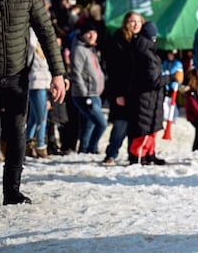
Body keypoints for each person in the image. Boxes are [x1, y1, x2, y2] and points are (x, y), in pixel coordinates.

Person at [0, 0, 67, 205]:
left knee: (17, 134)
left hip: (17, 75)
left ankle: (12, 191)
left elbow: (47, 33)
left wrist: (58, 73)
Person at [102, 11, 143, 165]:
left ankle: (133, 156)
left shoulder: (142, 40)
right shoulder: (118, 41)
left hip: (137, 92)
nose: (136, 24)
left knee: (135, 126)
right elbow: (113, 70)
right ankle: (111, 154)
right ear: (126, 23)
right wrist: (117, 93)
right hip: (121, 90)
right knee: (120, 125)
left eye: (138, 21)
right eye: (132, 21)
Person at [126, 21, 169, 165]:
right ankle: (137, 156)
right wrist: (172, 77)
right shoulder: (146, 53)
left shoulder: (146, 50)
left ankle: (149, 153)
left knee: (152, 127)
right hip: (145, 98)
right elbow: (154, 81)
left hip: (151, 98)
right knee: (144, 129)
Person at [70, 22, 108, 155]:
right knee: (101, 123)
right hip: (86, 94)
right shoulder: (79, 49)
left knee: (90, 123)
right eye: (88, 33)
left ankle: (85, 148)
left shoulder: (90, 49)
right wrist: (84, 93)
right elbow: (76, 73)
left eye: (94, 32)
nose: (92, 35)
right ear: (83, 34)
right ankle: (91, 148)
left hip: (95, 93)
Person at [26, 29, 52, 159]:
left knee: (33, 117)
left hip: (44, 85)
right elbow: (31, 40)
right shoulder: (32, 49)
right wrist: (34, 27)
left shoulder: (44, 52)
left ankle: (27, 143)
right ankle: (41, 146)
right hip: (36, 85)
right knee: (42, 117)